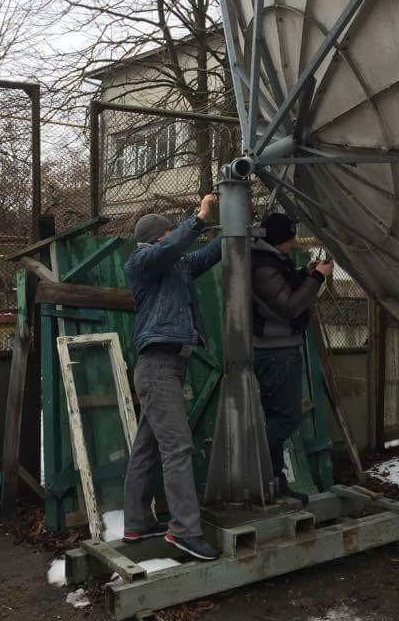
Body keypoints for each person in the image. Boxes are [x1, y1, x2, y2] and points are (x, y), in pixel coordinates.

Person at [121, 194, 221, 560]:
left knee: (146, 449)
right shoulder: (142, 261)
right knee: (178, 448)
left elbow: (206, 255)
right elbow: (174, 247)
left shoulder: (175, 265)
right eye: (171, 233)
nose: (175, 237)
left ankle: (136, 524)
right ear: (158, 237)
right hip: (158, 365)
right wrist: (199, 219)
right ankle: (184, 531)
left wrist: (237, 225)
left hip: (167, 368)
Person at [251, 213, 333, 504]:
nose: (294, 243)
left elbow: (281, 289)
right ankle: (257, 469)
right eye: (290, 238)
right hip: (275, 352)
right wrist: (317, 278)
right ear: (278, 240)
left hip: (280, 348)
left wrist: (303, 274)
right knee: (286, 418)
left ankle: (273, 482)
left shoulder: (272, 260)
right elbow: (288, 306)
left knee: (278, 418)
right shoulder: (263, 265)